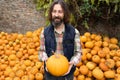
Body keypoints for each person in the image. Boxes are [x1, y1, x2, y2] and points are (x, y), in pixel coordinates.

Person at [38, 0, 82, 80]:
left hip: (67, 73)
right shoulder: (44, 32)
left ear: (65, 14)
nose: (56, 15)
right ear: (51, 13)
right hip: (50, 73)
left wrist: (72, 63)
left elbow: (78, 53)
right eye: (54, 11)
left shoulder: (74, 32)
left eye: (60, 12)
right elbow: (41, 52)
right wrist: (46, 61)